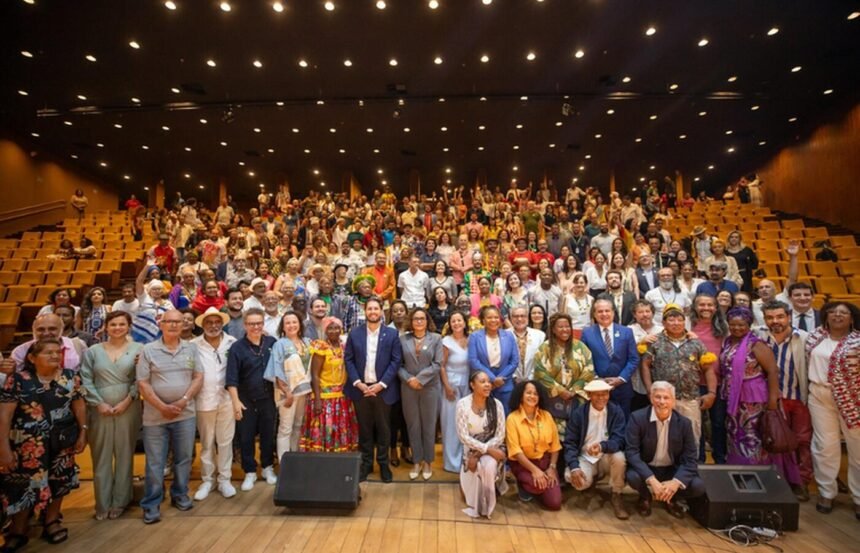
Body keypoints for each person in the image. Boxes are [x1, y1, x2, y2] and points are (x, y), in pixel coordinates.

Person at [0, 340, 87, 548]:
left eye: (57, 352)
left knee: (59, 481)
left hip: (62, 440)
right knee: (22, 486)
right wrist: (3, 448)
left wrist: (83, 433)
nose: (55, 356)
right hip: (27, 444)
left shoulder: (69, 377)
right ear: (32, 358)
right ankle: (18, 529)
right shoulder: (18, 380)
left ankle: (52, 521)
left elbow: (79, 406)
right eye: (48, 353)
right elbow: (5, 416)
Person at [719, 306, 801, 484]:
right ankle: (739, 476)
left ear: (749, 324)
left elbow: (772, 372)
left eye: (741, 325)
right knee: (736, 437)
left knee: (756, 438)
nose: (737, 328)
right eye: (733, 325)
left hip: (755, 400)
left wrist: (772, 402)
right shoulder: (728, 342)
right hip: (735, 400)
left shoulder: (756, 344)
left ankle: (759, 478)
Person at [136, 310, 203, 524]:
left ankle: (180, 494)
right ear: (161, 324)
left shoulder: (191, 348)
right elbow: (143, 383)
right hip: (155, 417)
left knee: (184, 458)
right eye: (169, 322)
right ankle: (152, 503)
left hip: (185, 414)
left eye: (178, 322)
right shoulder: (148, 350)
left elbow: (198, 376)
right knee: (155, 462)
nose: (174, 325)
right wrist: (162, 406)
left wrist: (183, 400)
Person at [79, 311, 143, 520]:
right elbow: (86, 378)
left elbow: (141, 378)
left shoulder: (139, 349)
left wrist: (128, 399)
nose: (117, 328)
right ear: (106, 327)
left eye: (122, 324)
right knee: (101, 455)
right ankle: (102, 503)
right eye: (113, 324)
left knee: (125, 453)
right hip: (99, 408)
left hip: (128, 406)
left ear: (129, 326)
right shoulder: (93, 351)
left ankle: (120, 501)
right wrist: (98, 403)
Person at [804, 302, 860, 517]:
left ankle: (858, 497)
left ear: (852, 318)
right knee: (824, 445)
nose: (837, 316)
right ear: (825, 316)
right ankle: (827, 492)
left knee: (857, 449)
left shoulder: (857, 341)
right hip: (819, 395)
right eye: (833, 312)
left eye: (843, 313)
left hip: (852, 399)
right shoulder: (814, 337)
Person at [756, 300, 813, 501]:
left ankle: (801, 482)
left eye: (780, 316)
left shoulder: (804, 338)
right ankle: (777, 480)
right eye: (770, 317)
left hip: (796, 397)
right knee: (774, 440)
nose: (775, 321)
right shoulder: (759, 336)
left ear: (789, 316)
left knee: (801, 442)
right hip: (770, 399)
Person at [625, 381, 706, 518]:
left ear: (673, 401)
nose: (662, 402)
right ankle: (645, 497)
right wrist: (651, 480)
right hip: (648, 467)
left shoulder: (684, 424)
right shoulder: (637, 418)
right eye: (657, 397)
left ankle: (671, 496)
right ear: (651, 398)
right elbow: (631, 453)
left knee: (698, 486)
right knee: (633, 477)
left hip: (671, 470)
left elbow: (691, 458)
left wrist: (675, 483)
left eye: (666, 398)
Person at [640, 305, 717, 445]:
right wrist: (649, 389)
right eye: (671, 319)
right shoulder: (655, 342)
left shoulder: (696, 343)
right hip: (663, 400)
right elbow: (645, 365)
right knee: (663, 439)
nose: (676, 323)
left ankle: (689, 465)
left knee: (692, 438)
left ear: (684, 322)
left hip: (690, 399)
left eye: (679, 320)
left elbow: (708, 369)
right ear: (663, 323)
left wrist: (711, 393)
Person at [344, 297, 402, 482]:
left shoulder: (391, 334)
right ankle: (366, 464)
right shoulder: (355, 333)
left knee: (384, 429)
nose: (373, 312)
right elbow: (349, 359)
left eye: (376, 308)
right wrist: (358, 383)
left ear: (381, 311)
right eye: (370, 309)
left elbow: (395, 361)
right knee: (365, 429)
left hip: (383, 390)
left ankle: (383, 464)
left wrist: (381, 384)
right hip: (361, 389)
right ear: (365, 311)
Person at [227, 309, 279, 492]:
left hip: (268, 398)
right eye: (251, 324)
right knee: (246, 437)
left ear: (263, 323)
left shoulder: (272, 342)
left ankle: (267, 467)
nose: (255, 327)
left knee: (267, 435)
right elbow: (231, 378)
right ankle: (249, 471)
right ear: (245, 325)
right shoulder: (237, 348)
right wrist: (235, 401)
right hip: (245, 399)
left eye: (258, 323)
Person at [563, 380, 630, 520]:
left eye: (605, 394)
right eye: (597, 394)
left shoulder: (616, 411)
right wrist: (574, 467)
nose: (601, 398)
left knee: (619, 458)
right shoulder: (579, 414)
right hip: (585, 457)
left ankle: (617, 493)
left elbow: (620, 439)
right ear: (589, 395)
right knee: (573, 478)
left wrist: (602, 446)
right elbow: (570, 443)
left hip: (606, 455)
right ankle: (590, 483)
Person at [190, 307, 237, 501]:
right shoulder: (193, 345)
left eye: (217, 322)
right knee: (207, 442)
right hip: (204, 400)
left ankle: (225, 479)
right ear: (202, 325)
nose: (213, 326)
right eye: (209, 322)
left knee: (226, 441)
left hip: (227, 400)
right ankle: (207, 480)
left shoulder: (232, 343)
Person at [300, 317, 358, 452]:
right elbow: (314, 374)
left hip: (342, 396)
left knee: (340, 428)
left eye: (336, 327)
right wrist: (318, 400)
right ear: (325, 330)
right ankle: (323, 461)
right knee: (326, 429)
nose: (334, 331)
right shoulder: (321, 347)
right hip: (325, 397)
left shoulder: (345, 346)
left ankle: (340, 460)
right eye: (330, 328)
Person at [456, 371, 508, 519]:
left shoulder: (496, 405)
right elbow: (463, 436)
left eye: (488, 382)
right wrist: (484, 449)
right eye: (482, 381)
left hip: (493, 447)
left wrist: (482, 452)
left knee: (489, 464)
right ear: (472, 385)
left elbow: (500, 435)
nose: (487, 385)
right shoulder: (462, 405)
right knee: (466, 496)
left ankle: (487, 505)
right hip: (471, 449)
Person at [398, 308, 443, 480]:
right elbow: (398, 364)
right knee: (413, 425)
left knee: (429, 426)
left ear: (427, 320)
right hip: (408, 388)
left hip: (430, 388)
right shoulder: (403, 339)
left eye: (422, 318)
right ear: (411, 320)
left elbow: (438, 364)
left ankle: (428, 462)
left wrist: (420, 379)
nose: (419, 321)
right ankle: (416, 461)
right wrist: (409, 379)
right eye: (416, 319)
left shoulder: (436, 338)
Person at [533, 313, 595, 437]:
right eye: (560, 327)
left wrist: (574, 390)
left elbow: (589, 370)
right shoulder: (544, 348)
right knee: (554, 435)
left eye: (567, 326)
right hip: (553, 400)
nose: (565, 329)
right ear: (553, 330)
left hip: (577, 398)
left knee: (577, 433)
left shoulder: (580, 347)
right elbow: (540, 372)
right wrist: (560, 390)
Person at [505, 380, 562, 510]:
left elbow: (555, 447)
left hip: (545, 463)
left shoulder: (547, 416)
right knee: (536, 485)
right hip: (524, 464)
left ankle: (540, 488)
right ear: (521, 395)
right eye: (528, 393)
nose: (532, 396)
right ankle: (525, 485)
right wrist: (535, 471)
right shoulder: (512, 418)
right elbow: (516, 452)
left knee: (554, 503)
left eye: (535, 394)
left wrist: (552, 468)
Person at [265, 312, 312, 461]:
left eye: (294, 322)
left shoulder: (307, 342)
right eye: (288, 323)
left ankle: (295, 460)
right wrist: (287, 392)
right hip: (287, 393)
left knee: (298, 426)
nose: (292, 325)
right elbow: (276, 369)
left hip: (304, 391)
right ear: (283, 327)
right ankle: (284, 463)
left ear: (300, 324)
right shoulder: (280, 344)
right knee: (285, 428)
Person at [581, 299, 640, 417]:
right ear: (594, 314)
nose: (604, 314)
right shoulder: (587, 333)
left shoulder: (626, 332)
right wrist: (597, 379)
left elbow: (634, 359)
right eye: (600, 311)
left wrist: (621, 378)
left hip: (622, 388)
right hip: (598, 388)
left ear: (613, 312)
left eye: (607, 311)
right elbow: (584, 360)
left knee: (623, 423)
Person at [468, 305, 519, 415]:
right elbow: (473, 360)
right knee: (484, 418)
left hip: (504, 384)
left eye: (496, 317)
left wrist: (500, 379)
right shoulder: (475, 337)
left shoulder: (509, 335)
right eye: (489, 317)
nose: (493, 320)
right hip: (483, 385)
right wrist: (491, 378)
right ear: (483, 320)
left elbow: (514, 361)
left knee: (504, 417)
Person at [440, 311, 470, 473]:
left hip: (468, 385)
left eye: (459, 320)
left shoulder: (471, 340)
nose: (457, 323)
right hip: (451, 385)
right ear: (450, 325)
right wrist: (446, 386)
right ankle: (451, 462)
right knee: (451, 423)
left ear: (464, 323)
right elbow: (442, 366)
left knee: (466, 423)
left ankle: (465, 458)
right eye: (453, 321)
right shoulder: (446, 341)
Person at [509, 305, 545, 383]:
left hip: (534, 380)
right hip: (511, 380)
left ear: (528, 318)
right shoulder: (504, 335)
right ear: (511, 318)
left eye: (523, 316)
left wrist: (531, 378)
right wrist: (514, 377)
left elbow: (541, 360)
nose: (519, 319)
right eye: (516, 316)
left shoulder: (540, 335)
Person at [560, 273, 593, 338]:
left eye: (581, 282)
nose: (579, 285)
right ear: (574, 284)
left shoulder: (591, 299)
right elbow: (564, 316)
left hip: (588, 331)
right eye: (576, 283)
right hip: (572, 331)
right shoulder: (567, 298)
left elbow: (592, 318)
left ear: (586, 284)